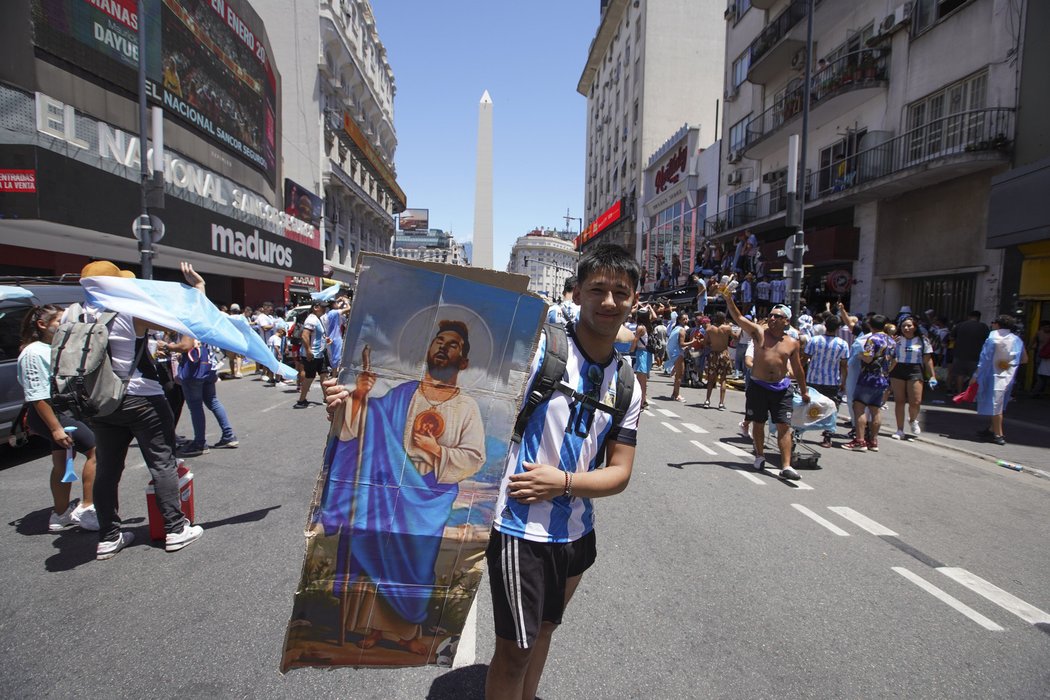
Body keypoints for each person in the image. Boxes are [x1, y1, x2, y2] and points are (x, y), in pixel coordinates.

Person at [318, 320, 486, 654]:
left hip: (427, 496)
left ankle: (409, 633)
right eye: (438, 340)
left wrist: (435, 450)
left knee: (416, 563)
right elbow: (364, 428)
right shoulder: (404, 394)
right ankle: (372, 628)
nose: (442, 347)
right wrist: (357, 397)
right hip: (386, 490)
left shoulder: (467, 406)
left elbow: (475, 457)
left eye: (453, 345)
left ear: (464, 361)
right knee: (373, 550)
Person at [76, 261, 204, 559]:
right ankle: (175, 528)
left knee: (108, 468)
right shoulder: (128, 309)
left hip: (100, 400)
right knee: (162, 461)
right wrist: (197, 288)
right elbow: (184, 323)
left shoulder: (77, 312)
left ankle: (108, 536)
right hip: (141, 397)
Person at [17, 304, 99, 532]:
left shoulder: (54, 346)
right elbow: (38, 396)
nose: (65, 326)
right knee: (97, 451)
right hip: (52, 414)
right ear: (42, 325)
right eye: (59, 322)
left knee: (62, 462)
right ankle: (88, 509)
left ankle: (60, 514)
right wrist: (55, 428)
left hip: (62, 411)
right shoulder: (33, 352)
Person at [722, 289, 810, 481]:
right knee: (759, 423)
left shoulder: (792, 343)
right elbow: (738, 318)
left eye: (777, 316)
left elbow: (798, 369)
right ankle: (760, 455)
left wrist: (804, 391)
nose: (772, 318)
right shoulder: (759, 333)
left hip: (781, 388)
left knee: (784, 425)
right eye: (770, 315)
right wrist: (729, 299)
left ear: (786, 321)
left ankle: (786, 466)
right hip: (758, 386)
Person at [166, 335, 238, 457]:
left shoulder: (188, 325)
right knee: (213, 401)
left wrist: (168, 346)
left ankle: (200, 443)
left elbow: (185, 346)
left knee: (195, 407)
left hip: (194, 371)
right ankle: (229, 435)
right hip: (208, 367)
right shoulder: (204, 327)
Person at [843, 315, 896, 452]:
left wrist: (860, 355)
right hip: (882, 379)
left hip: (868, 378)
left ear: (871, 326)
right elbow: (895, 360)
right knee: (875, 409)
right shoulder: (891, 340)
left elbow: (868, 358)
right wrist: (886, 371)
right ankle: (873, 440)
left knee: (859, 407)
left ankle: (860, 441)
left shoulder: (872, 339)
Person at [972, 314, 1027, 446]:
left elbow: (984, 359)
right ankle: (992, 429)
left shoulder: (993, 338)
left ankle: (998, 434)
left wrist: (976, 375)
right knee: (999, 404)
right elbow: (1025, 359)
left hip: (992, 375)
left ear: (997, 324)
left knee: (995, 405)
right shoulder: (1017, 339)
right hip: (1008, 375)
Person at [803, 316, 850, 448]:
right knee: (832, 408)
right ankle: (828, 436)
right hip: (832, 380)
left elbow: (805, 358)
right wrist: (843, 381)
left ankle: (798, 431)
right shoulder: (842, 344)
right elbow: (844, 365)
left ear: (825, 325)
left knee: (806, 405)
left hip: (812, 379)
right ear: (838, 328)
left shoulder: (814, 340)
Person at [889, 316, 936, 441]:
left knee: (915, 401)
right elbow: (889, 355)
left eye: (909, 325)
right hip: (898, 368)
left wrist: (932, 376)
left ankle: (913, 419)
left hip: (915, 369)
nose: (906, 328)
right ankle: (899, 430)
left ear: (915, 327)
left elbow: (928, 360)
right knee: (899, 401)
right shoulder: (896, 340)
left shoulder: (922, 340)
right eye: (904, 325)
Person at [295, 301, 329, 408]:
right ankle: (301, 401)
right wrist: (309, 351)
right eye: (322, 307)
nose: (325, 309)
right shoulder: (311, 319)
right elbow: (305, 335)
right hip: (313, 355)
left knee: (324, 375)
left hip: (319, 354)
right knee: (310, 377)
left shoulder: (317, 319)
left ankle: (326, 398)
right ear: (315, 307)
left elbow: (316, 336)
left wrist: (325, 340)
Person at [949, 310, 989, 395]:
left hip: (959, 354)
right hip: (976, 355)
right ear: (979, 318)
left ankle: (959, 392)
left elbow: (951, 338)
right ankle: (971, 394)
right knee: (974, 375)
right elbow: (987, 341)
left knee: (960, 374)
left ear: (969, 316)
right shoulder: (983, 327)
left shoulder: (960, 325)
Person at [702, 311, 733, 410]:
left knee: (711, 379)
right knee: (723, 379)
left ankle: (707, 400)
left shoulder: (709, 329)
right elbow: (735, 338)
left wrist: (712, 344)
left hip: (713, 354)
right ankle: (721, 403)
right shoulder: (727, 328)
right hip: (723, 353)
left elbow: (705, 342)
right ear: (724, 319)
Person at [665, 314, 690, 402]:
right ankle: (677, 395)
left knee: (677, 376)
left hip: (674, 353)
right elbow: (682, 344)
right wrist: (692, 342)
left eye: (687, 319)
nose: (686, 321)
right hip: (678, 354)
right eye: (684, 319)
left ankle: (674, 394)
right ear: (679, 320)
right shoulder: (682, 330)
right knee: (679, 375)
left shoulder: (675, 328)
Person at [1030, 320, 1050, 397]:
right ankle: (1037, 391)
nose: (1047, 328)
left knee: (1041, 374)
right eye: (1046, 327)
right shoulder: (1039, 333)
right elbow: (1032, 342)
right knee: (1040, 374)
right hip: (1041, 355)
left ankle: (1038, 390)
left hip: (1045, 356)